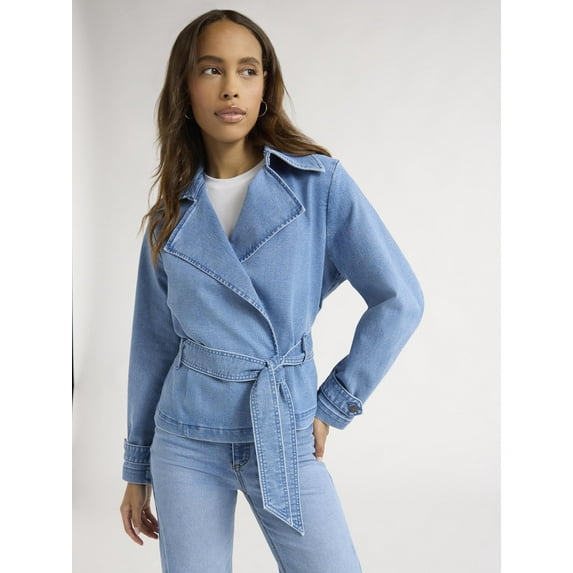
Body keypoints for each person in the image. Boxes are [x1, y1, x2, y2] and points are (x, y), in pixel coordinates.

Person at [119, 9, 424, 573]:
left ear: (266, 87)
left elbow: (399, 299)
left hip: (283, 425)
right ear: (185, 88)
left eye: (248, 70)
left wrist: (333, 405)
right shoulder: (169, 216)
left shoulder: (318, 184)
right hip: (185, 440)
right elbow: (153, 343)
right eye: (211, 69)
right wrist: (136, 467)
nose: (231, 87)